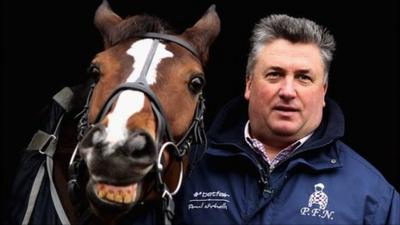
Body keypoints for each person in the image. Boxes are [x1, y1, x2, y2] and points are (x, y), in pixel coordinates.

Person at [174, 14, 400, 224]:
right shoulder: (185, 169)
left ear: (323, 91)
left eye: (303, 77)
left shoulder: (373, 195)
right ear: (249, 84)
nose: (288, 91)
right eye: (274, 74)